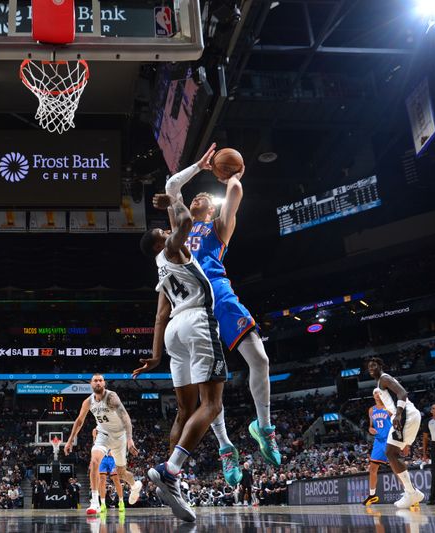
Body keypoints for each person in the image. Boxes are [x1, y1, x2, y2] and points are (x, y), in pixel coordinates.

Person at [156, 143, 280, 467]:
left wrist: (232, 175)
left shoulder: (219, 227)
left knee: (260, 359)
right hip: (195, 307)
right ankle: (226, 448)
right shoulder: (180, 224)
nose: (198, 197)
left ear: (212, 209)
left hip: (220, 297)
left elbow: (236, 191)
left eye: (204, 197)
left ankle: (264, 427)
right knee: (208, 390)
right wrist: (199, 166)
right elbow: (172, 187)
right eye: (195, 196)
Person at [135, 191, 226, 522]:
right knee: (212, 405)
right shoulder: (173, 249)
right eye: (163, 231)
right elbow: (185, 221)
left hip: (174, 331)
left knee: (185, 410)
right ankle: (171, 470)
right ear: (162, 241)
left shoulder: (161, 271)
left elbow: (160, 317)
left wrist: (155, 356)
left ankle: (172, 483)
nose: (166, 229)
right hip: (198, 321)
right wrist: (175, 199)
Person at [63, 374, 143, 515]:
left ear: (104, 383)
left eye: (100, 380)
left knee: (121, 473)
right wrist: (70, 440)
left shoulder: (112, 397)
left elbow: (125, 417)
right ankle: (94, 503)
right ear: (91, 384)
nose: (98, 383)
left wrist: (130, 439)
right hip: (103, 434)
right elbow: (79, 421)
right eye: (95, 381)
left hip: (119, 436)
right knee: (94, 461)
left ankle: (135, 485)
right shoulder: (88, 402)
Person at [367, 357, 424, 508]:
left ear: (380, 366)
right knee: (392, 453)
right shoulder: (380, 384)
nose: (371, 368)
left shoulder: (384, 379)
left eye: (374, 365)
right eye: (369, 367)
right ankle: (411, 492)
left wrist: (398, 414)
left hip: (405, 415)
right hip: (408, 416)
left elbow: (402, 393)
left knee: (391, 453)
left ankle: (412, 493)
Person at [363, 389, 392, 505]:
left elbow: (397, 423)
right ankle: (372, 495)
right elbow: (371, 426)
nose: (377, 394)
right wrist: (370, 430)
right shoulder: (371, 410)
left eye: (379, 392)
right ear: (373, 395)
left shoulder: (389, 408)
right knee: (372, 469)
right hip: (378, 441)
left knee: (397, 468)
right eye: (375, 392)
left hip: (389, 440)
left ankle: (410, 492)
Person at [91, 428, 125, 512]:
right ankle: (102, 504)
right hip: (102, 458)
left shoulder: (112, 426)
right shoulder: (97, 429)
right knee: (102, 480)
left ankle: (121, 502)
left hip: (112, 458)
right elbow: (95, 445)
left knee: (116, 479)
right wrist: (94, 437)